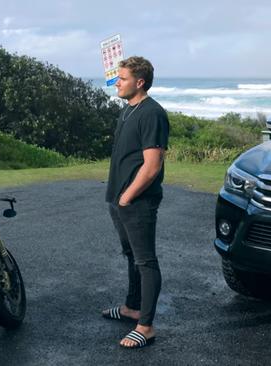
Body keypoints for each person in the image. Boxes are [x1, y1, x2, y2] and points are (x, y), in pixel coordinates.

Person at [101, 56, 169, 349]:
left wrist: (128, 197)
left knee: (145, 260)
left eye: (123, 78)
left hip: (137, 202)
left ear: (139, 83)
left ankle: (146, 326)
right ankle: (132, 307)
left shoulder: (152, 113)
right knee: (130, 255)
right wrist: (117, 197)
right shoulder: (128, 110)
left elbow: (152, 165)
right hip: (119, 200)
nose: (117, 82)